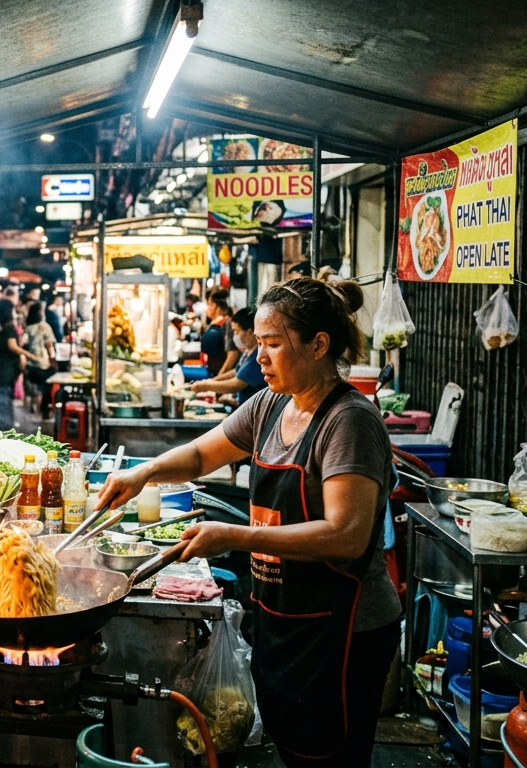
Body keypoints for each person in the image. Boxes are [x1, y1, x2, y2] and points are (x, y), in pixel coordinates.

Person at [97, 277, 398, 768]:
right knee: (291, 741)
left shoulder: (349, 422)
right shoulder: (270, 405)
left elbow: (347, 535)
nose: (259, 358)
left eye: (273, 344)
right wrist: (143, 471)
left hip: (344, 628)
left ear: (319, 345)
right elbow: (200, 455)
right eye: (258, 343)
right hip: (285, 614)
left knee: (332, 754)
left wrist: (232, 536)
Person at [190, 307, 266, 406]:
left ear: (249, 332)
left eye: (236, 331)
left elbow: (236, 384)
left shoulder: (257, 356)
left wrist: (206, 385)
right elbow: (236, 371)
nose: (235, 336)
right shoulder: (248, 351)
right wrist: (212, 380)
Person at [0, 299, 31, 430]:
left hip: (4, 369)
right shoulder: (9, 328)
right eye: (13, 310)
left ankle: (4, 428)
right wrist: (32, 356)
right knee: (4, 401)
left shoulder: (1, 326)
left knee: (4, 400)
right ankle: (4, 430)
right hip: (6, 370)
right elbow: (13, 346)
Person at [21, 301, 56, 418]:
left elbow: (22, 342)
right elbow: (49, 345)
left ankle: (30, 410)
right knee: (42, 389)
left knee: (31, 388)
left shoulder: (28, 328)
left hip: (30, 362)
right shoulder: (44, 327)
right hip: (42, 362)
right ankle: (40, 414)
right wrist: (53, 360)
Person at [200, 289, 236, 377]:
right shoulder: (212, 324)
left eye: (209, 305)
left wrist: (220, 376)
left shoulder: (226, 323)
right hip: (211, 371)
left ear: (216, 307)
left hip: (220, 375)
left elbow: (233, 354)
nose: (207, 308)